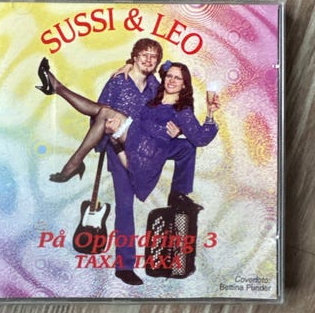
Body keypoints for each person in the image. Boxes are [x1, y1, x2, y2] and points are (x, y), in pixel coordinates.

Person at [36, 42, 218, 285]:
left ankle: (71, 150)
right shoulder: (118, 81)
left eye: (154, 57)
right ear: (135, 56)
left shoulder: (155, 85)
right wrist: (109, 135)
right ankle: (124, 266)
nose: (149, 60)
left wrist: (182, 128)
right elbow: (99, 116)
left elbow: (177, 103)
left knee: (185, 147)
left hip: (146, 148)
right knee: (124, 204)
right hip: (118, 145)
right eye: (143, 55)